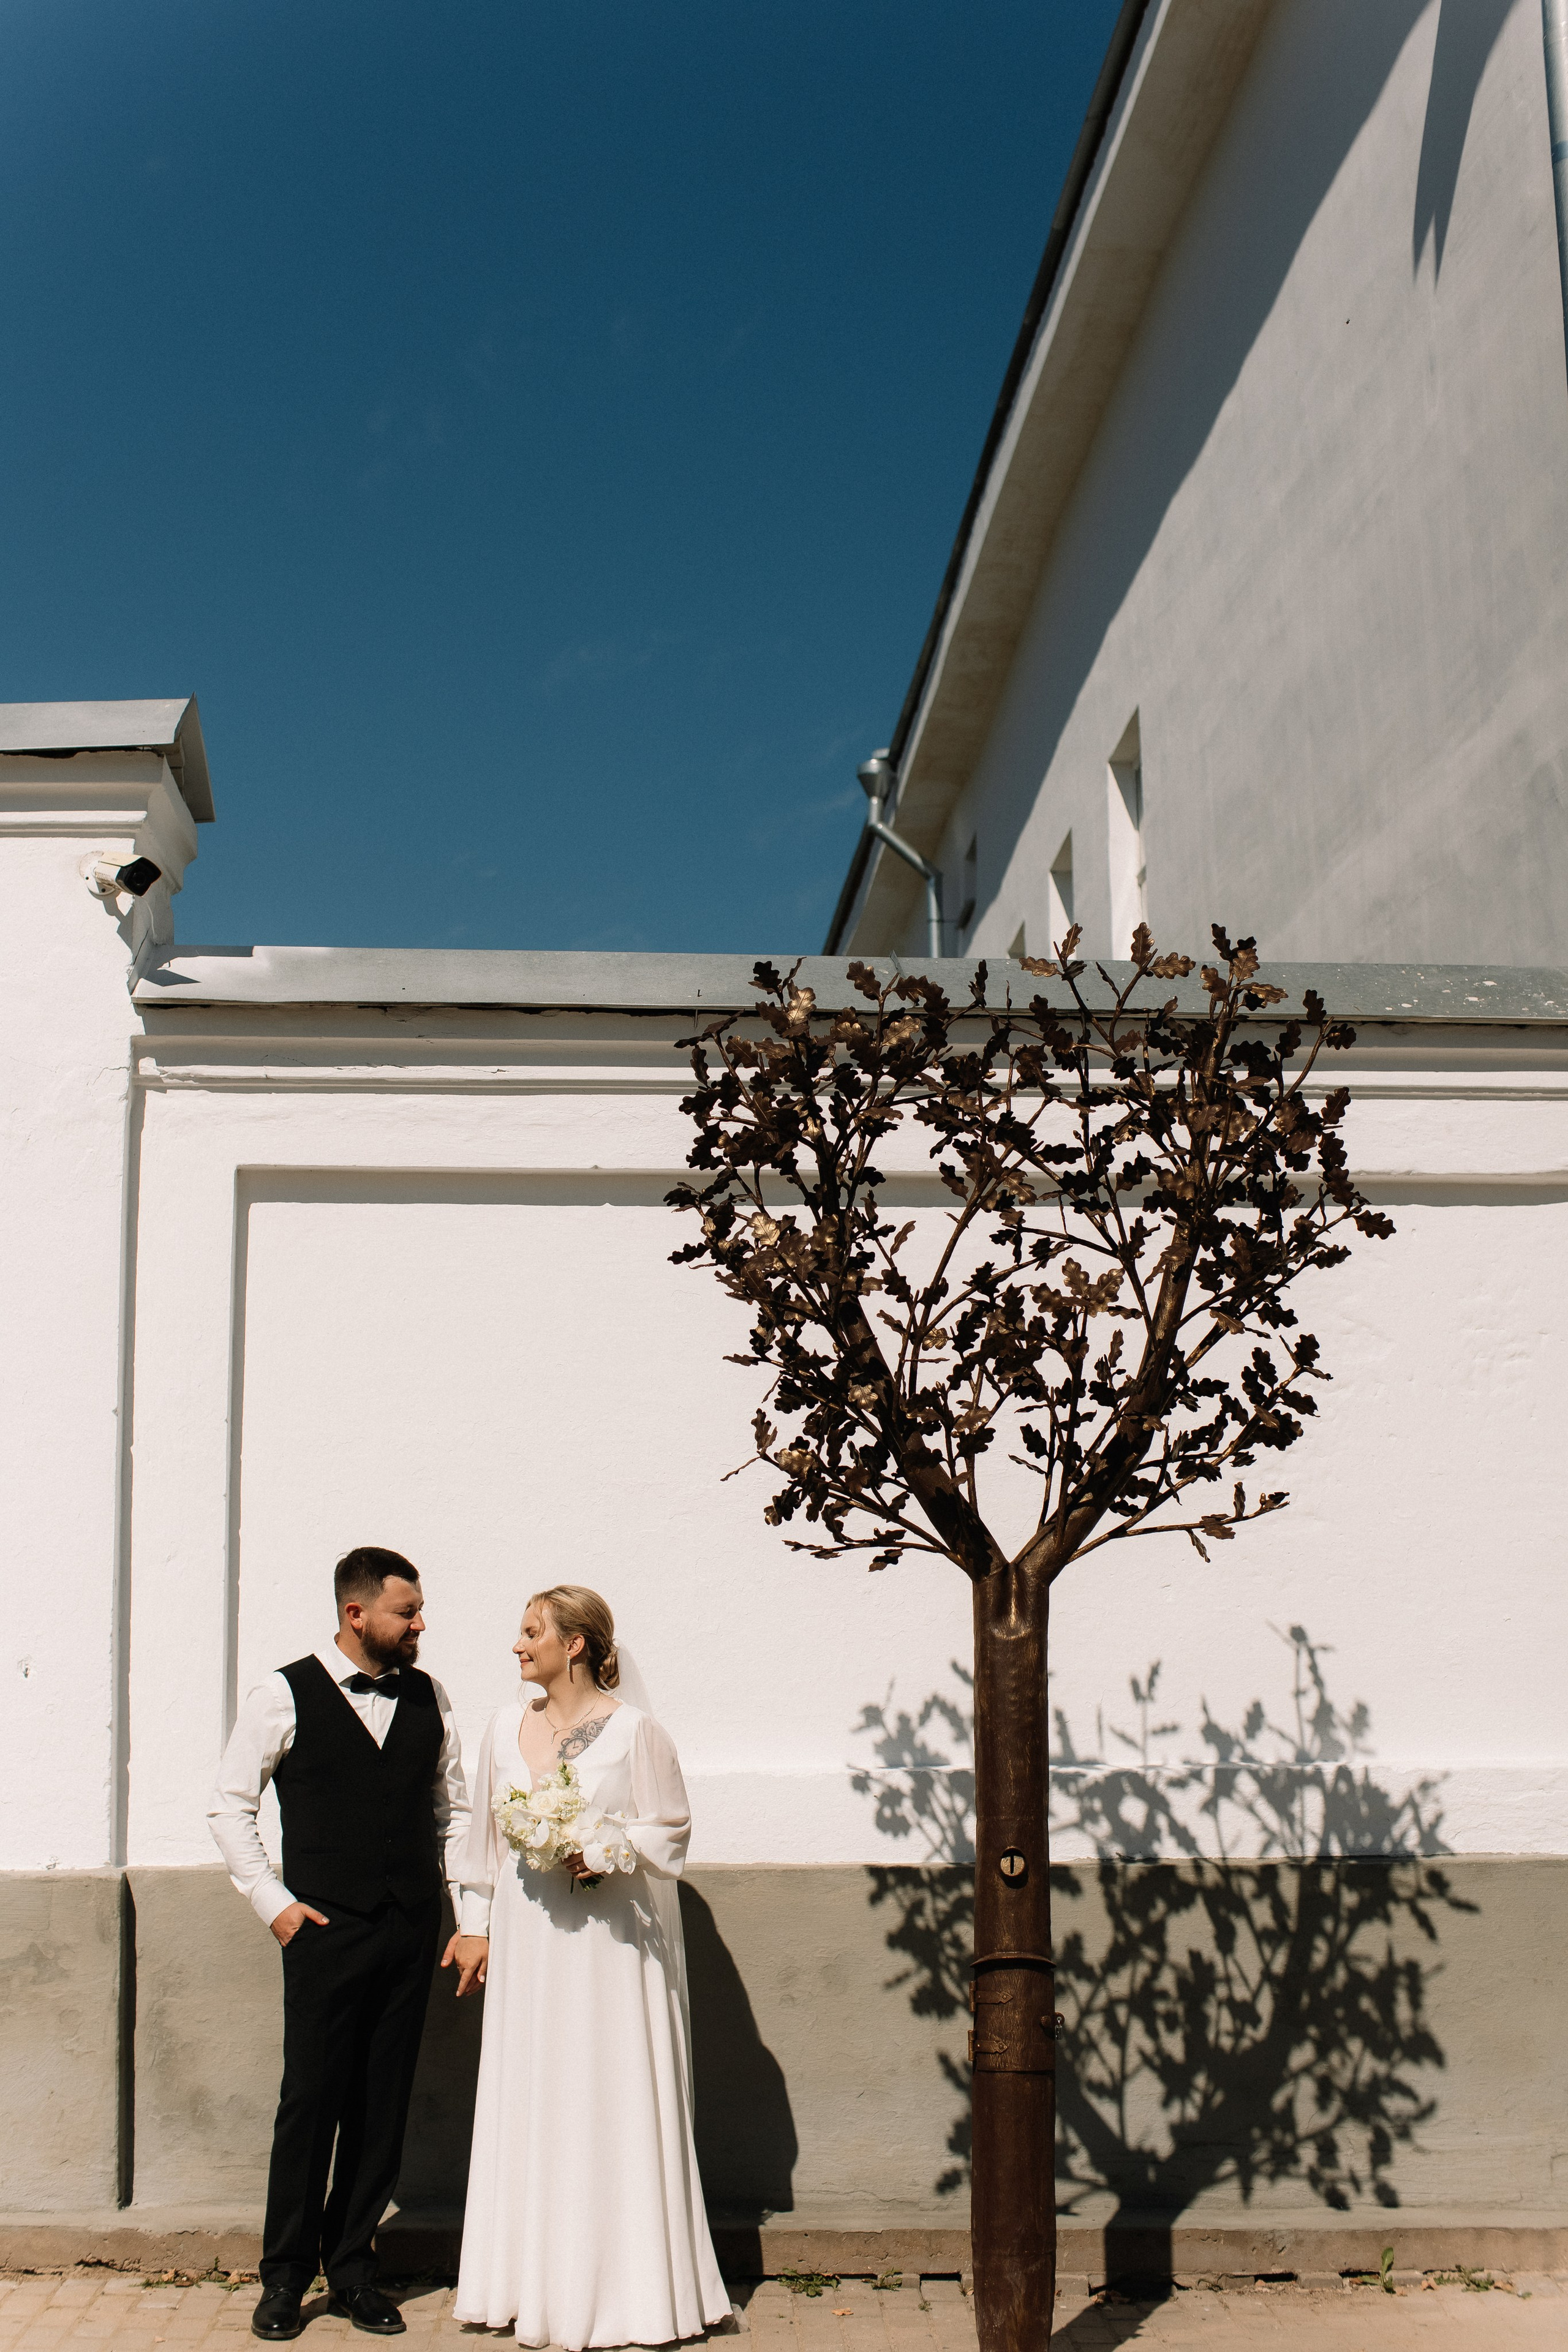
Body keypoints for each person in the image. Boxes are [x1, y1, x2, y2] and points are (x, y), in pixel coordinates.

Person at [443, 1585, 731, 2350]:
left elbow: (670, 1830)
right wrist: (475, 1928)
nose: (516, 1645)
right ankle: (525, 2281)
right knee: (535, 2093)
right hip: (532, 1944)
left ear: (575, 1643)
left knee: (609, 2091)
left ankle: (628, 2288)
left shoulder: (638, 1734)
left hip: (610, 1948)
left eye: (531, 1631)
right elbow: (478, 1849)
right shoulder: (504, 1730)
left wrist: (608, 1848)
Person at [208, 1547, 471, 2344]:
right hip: (322, 1929)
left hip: (409, 1926)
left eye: (420, 1609)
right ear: (357, 1614)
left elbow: (452, 1810)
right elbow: (229, 1808)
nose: (420, 1623)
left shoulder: (430, 1695)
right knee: (311, 2103)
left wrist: (460, 1910)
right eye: (407, 1610)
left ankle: (355, 2270)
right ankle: (286, 2278)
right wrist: (275, 1904)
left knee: (380, 2104)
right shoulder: (281, 1694)